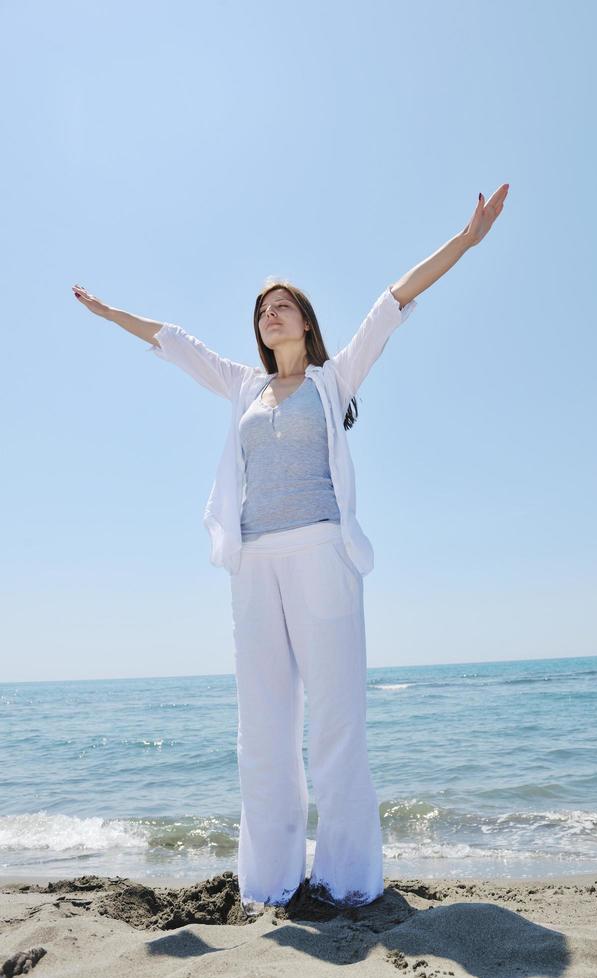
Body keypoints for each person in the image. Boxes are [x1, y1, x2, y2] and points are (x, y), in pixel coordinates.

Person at [71, 184, 509, 915]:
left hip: (322, 557)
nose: (269, 312)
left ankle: (346, 881)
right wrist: (110, 312)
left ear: (305, 321)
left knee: (336, 720)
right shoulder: (242, 386)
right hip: (253, 564)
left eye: (282, 303)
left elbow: (392, 301)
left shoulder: (335, 379)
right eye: (261, 308)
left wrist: (465, 240)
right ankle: (271, 880)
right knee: (264, 730)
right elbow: (172, 341)